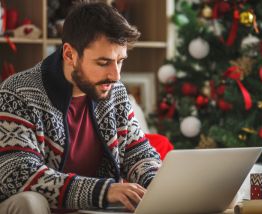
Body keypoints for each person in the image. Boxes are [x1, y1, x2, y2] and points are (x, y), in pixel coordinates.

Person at [0, 1, 161, 213]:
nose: (116, 75)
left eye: (120, 61)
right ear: (69, 55)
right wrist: (103, 191)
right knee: (30, 202)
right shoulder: (17, 93)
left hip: (93, 209)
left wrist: (157, 185)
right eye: (103, 63)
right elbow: (17, 174)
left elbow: (139, 154)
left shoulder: (116, 93)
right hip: (36, 207)